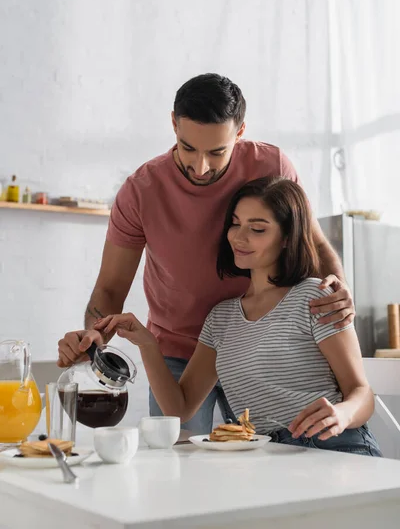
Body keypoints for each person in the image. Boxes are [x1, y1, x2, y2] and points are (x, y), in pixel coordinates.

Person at [57, 73, 355, 434]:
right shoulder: (141, 192)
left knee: (261, 462)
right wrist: (94, 340)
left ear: (240, 131)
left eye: (217, 152)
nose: (200, 167)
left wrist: (337, 292)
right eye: (187, 148)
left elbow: (316, 245)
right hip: (178, 351)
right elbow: (109, 289)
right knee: (180, 468)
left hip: (255, 348)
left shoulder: (272, 167)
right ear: (173, 124)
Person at [93, 177, 381, 456]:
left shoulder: (314, 298)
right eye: (235, 223)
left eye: (257, 229)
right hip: (269, 458)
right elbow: (180, 409)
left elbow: (361, 392)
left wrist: (342, 414)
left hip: (336, 447)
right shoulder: (221, 319)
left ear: (286, 238)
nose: (239, 237)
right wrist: (146, 343)